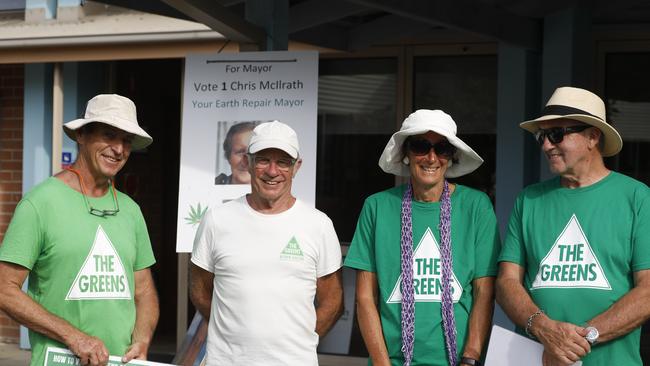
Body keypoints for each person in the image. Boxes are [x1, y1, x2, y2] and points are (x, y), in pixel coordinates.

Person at [0, 94, 159, 366]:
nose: (118, 149)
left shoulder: (131, 210)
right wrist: (72, 336)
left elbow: (144, 292)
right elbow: (5, 289)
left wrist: (141, 341)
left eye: (126, 141)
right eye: (109, 135)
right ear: (82, 136)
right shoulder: (40, 203)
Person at [497, 86, 650, 365]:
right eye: (542, 136)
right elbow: (507, 282)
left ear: (592, 136)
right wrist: (545, 330)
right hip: (534, 359)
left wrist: (580, 340)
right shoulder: (529, 199)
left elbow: (648, 290)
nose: (546, 145)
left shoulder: (637, 198)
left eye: (556, 135)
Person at [344, 109, 500, 366]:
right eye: (420, 146)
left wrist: (470, 357)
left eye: (442, 149)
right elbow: (364, 297)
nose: (431, 157)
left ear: (451, 157)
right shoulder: (377, 207)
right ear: (406, 154)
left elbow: (484, 290)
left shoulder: (476, 206)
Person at [190, 121, 344, 365]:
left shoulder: (318, 225)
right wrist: (232, 334)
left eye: (283, 162)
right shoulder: (217, 220)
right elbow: (200, 289)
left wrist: (298, 342)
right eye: (263, 160)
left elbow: (333, 301)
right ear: (249, 163)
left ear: (296, 167)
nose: (272, 171)